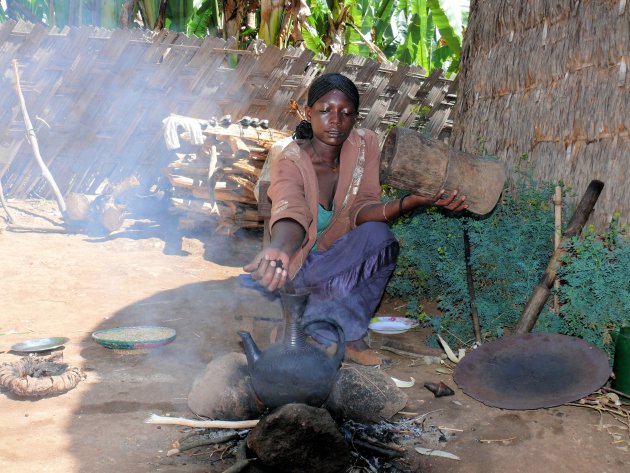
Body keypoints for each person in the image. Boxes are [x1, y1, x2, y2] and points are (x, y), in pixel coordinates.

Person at [243, 73, 467, 365]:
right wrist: (281, 249)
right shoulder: (291, 160)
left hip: (340, 259)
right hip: (302, 268)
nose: (335, 120)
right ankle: (301, 326)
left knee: (380, 237)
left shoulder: (364, 146)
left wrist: (411, 202)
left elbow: (364, 206)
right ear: (308, 113)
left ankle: (345, 337)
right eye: (325, 111)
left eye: (346, 113)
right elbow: (291, 208)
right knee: (335, 278)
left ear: (355, 118)